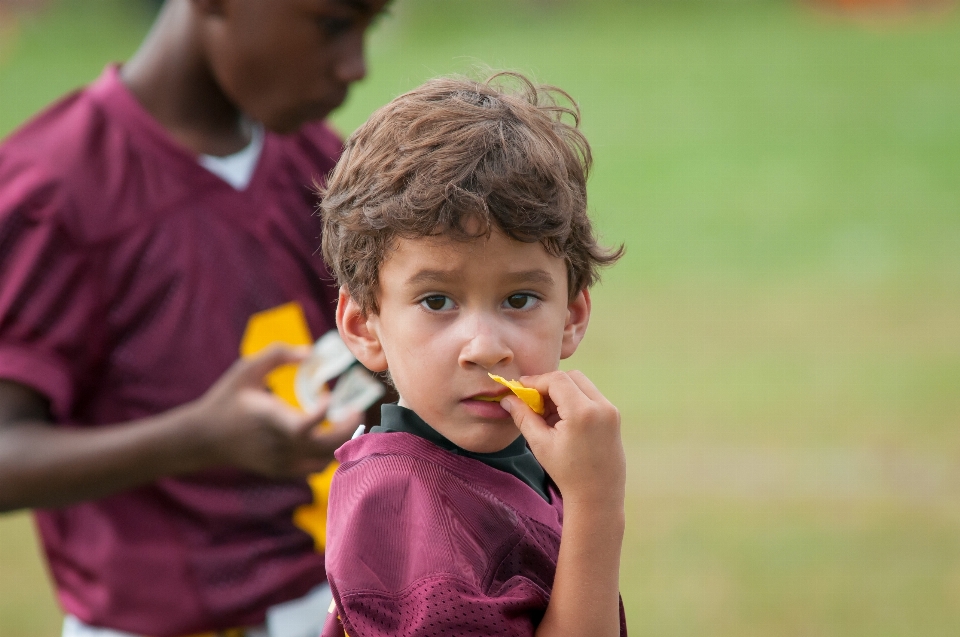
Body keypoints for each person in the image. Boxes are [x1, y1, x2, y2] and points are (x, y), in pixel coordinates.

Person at [0, 0, 389, 635]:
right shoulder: (54, 187)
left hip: (336, 598)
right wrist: (196, 439)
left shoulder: (319, 163)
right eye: (333, 24)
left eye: (373, 26)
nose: (356, 65)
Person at [317, 73, 628, 637]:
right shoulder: (402, 507)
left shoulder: (532, 457)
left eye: (520, 299)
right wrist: (598, 506)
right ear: (364, 326)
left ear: (572, 315)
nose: (485, 346)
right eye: (437, 301)